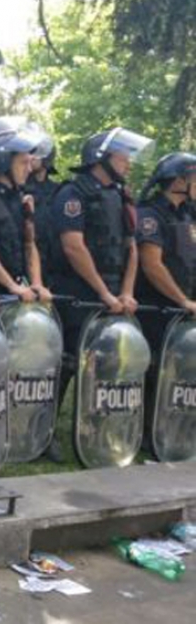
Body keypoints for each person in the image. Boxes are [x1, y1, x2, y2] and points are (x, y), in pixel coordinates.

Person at [45, 127, 153, 461]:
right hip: (78, 291)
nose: (128, 164)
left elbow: (132, 248)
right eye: (123, 157)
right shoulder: (73, 193)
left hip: (114, 293)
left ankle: (96, 429)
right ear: (101, 158)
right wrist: (104, 293)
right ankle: (45, 432)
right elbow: (73, 247)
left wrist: (126, 292)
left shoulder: (121, 196)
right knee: (66, 364)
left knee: (107, 363)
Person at [134, 153, 196, 442]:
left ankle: (174, 429)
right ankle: (147, 434)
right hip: (156, 308)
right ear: (178, 181)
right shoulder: (150, 215)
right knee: (154, 369)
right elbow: (152, 265)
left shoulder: (187, 214)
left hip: (185, 308)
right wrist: (182, 300)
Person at [0, 119, 53, 302]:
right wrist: (12, 286)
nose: (29, 169)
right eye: (23, 163)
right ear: (3, 163)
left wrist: (36, 283)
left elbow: (29, 244)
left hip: (21, 294)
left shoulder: (20, 198)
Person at [24, 132, 62, 286]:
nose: (30, 157)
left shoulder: (59, 191)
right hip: (28, 266)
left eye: (35, 153)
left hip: (54, 269)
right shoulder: (18, 189)